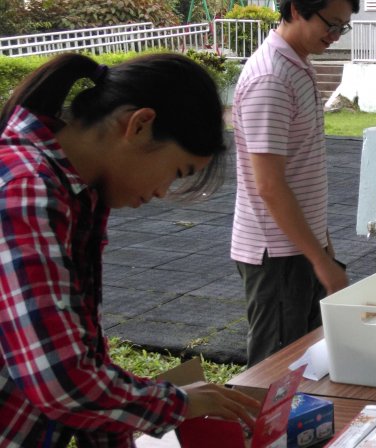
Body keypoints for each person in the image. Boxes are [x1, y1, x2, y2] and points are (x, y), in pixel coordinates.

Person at [0, 53, 260, 447]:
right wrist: (180, 404)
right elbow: (61, 382)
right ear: (139, 125)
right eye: (176, 172)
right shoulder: (26, 191)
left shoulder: (76, 193)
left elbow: (82, 355)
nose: (161, 192)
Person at [230, 0, 359, 367]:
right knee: (276, 370)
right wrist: (320, 260)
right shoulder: (271, 78)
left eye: (342, 27)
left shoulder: (297, 63)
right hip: (276, 254)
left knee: (308, 361)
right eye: (331, 25)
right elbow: (269, 186)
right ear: (298, 9)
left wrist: (323, 246)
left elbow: (303, 172)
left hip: (300, 248)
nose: (335, 36)